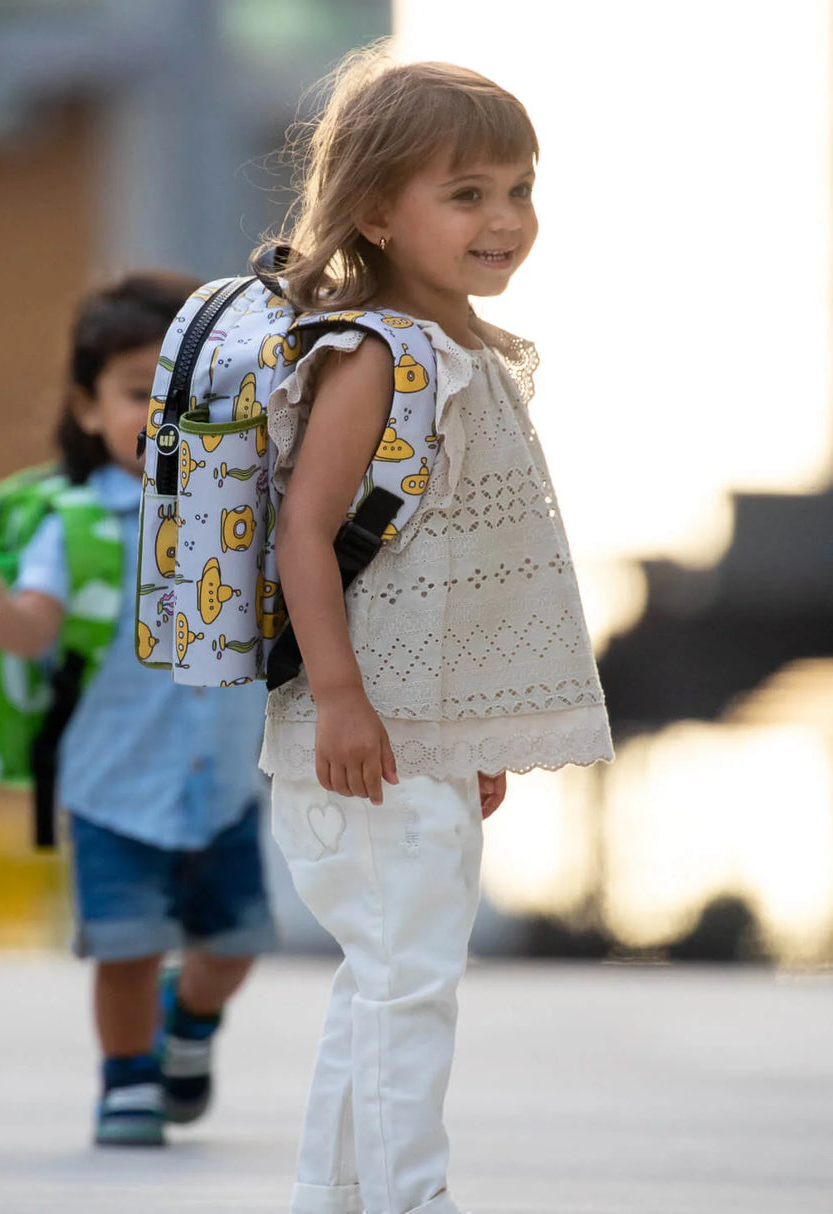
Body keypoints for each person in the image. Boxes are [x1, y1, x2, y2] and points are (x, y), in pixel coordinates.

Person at [258, 48, 614, 1214]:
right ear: (375, 209)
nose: (502, 219)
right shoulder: (375, 356)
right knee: (407, 982)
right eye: (465, 194)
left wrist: (475, 734)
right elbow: (305, 536)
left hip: (421, 734)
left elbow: (454, 572)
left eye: (516, 189)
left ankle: (338, 1193)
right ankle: (411, 1196)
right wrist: (347, 699)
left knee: (387, 977)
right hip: (362, 730)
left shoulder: (465, 353)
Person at [0, 273, 275, 1148]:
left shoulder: (241, 507)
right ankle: (126, 1082)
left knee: (231, 945)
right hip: (113, 781)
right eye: (136, 392)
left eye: (186, 393)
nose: (163, 413)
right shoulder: (77, 525)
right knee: (123, 946)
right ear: (88, 409)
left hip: (225, 780)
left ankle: (189, 1024)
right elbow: (35, 627)